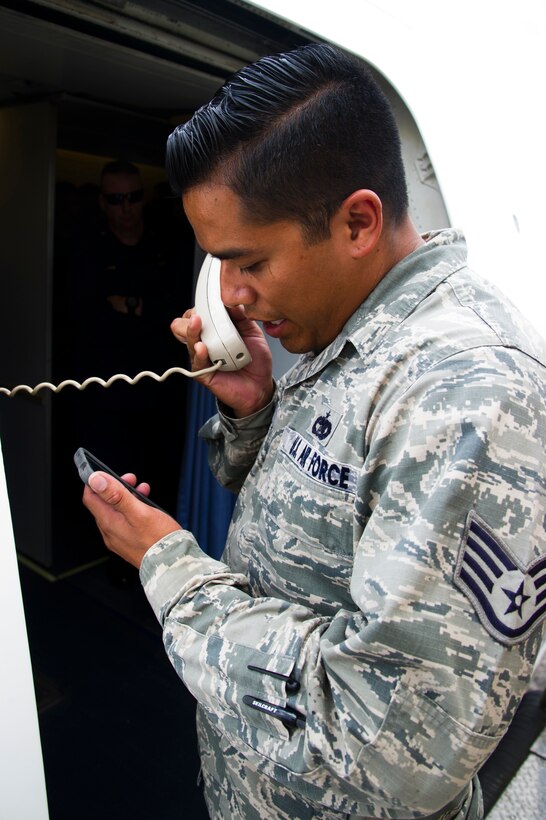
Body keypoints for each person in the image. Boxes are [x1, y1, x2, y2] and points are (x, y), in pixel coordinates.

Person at [81, 43, 546, 818]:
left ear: (357, 221)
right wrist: (253, 408)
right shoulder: (350, 329)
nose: (230, 295)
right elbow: (321, 519)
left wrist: (170, 568)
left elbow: (385, 748)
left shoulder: (466, 394)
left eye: (246, 261)